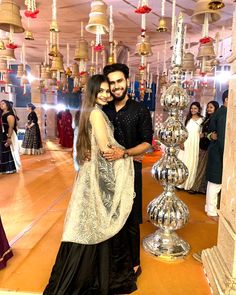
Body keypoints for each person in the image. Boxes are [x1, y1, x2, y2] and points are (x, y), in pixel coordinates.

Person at [43, 74, 137, 294]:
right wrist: (127, 155)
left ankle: (89, 275)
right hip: (95, 179)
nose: (105, 94)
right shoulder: (96, 114)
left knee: (88, 223)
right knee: (96, 222)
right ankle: (92, 278)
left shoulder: (89, 113)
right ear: (92, 93)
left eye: (107, 90)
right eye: (101, 91)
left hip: (90, 177)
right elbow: (105, 149)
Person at [102, 63, 153, 277]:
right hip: (106, 173)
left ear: (127, 81)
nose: (116, 86)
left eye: (119, 81)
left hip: (131, 171)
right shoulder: (103, 109)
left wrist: (124, 154)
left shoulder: (139, 110)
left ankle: (133, 262)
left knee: (130, 218)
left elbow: (147, 143)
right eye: (112, 83)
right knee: (108, 215)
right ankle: (108, 261)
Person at [205, 89, 228, 217]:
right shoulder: (224, 114)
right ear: (227, 99)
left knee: (213, 182)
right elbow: (222, 137)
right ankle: (212, 211)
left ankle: (209, 208)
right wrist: (225, 154)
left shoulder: (220, 112)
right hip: (219, 151)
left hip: (215, 150)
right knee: (216, 182)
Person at [189, 101, 219, 194]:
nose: (209, 109)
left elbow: (215, 134)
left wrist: (205, 135)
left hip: (208, 146)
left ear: (215, 109)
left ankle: (196, 188)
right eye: (208, 107)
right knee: (201, 167)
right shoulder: (207, 118)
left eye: (211, 107)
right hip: (203, 145)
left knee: (202, 167)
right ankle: (201, 188)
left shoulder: (215, 119)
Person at [177, 101, 203, 191]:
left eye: (195, 108)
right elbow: (183, 132)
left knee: (192, 162)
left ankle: (188, 184)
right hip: (186, 142)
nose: (193, 110)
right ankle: (180, 183)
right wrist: (181, 142)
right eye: (191, 108)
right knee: (183, 161)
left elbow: (201, 133)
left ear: (199, 109)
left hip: (195, 144)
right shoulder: (187, 118)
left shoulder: (202, 120)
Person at [0, 99, 21, 174]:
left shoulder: (10, 114)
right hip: (3, 134)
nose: (1, 105)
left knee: (11, 151)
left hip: (10, 134)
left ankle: (11, 168)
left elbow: (11, 126)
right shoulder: (2, 113)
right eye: (0, 104)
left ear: (7, 105)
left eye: (3, 104)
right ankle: (4, 168)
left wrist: (9, 138)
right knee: (4, 151)